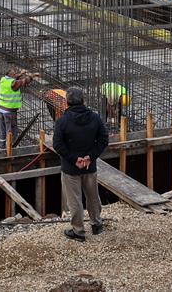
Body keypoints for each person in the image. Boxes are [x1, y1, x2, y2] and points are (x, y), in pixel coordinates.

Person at [52, 86, 109, 241]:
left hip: (71, 168)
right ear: (83, 100)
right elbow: (104, 140)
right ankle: (96, 225)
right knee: (93, 197)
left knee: (75, 200)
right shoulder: (95, 117)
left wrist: (74, 159)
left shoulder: (62, 121)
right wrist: (90, 157)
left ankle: (78, 231)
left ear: (67, 103)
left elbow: (57, 145)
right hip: (90, 166)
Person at [0, 68, 34, 145]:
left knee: (2, 128)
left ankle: (2, 144)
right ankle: (11, 146)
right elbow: (23, 81)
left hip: (1, 108)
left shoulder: (3, 79)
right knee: (11, 129)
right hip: (9, 110)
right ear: (10, 75)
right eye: (14, 74)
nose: (15, 75)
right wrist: (33, 76)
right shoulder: (13, 83)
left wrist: (20, 74)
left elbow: (14, 79)